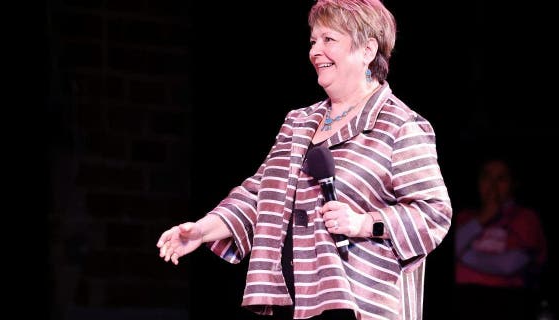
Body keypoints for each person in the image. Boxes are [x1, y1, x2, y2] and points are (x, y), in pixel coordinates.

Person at [157, 1, 452, 319]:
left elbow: (433, 214)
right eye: (313, 41)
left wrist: (362, 223)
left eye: (329, 40)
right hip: (293, 299)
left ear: (367, 49)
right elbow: (260, 193)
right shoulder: (299, 122)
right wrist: (202, 231)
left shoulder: (399, 124)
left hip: (360, 305)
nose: (315, 51)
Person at [453, 156, 548, 320]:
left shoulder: (524, 217)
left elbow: (510, 264)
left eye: (501, 179)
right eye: (486, 177)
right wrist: (482, 219)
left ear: (513, 184)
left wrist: (462, 255)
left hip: (506, 302)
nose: (492, 185)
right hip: (460, 301)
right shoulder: (464, 218)